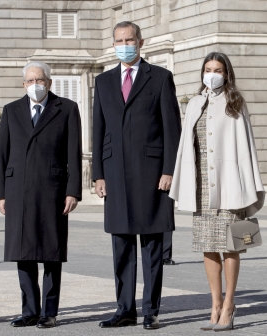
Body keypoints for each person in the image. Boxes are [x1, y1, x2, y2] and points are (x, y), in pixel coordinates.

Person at [92, 21, 181, 330]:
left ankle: (151, 311)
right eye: (119, 40)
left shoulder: (159, 78)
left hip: (152, 174)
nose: (124, 44)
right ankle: (124, 309)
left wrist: (170, 169)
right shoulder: (103, 82)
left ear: (141, 42)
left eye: (129, 39)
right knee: (122, 246)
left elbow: (172, 129)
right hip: (115, 174)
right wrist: (98, 174)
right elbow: (98, 130)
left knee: (153, 247)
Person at [169, 52, 265, 331]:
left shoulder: (235, 102)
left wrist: (249, 186)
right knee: (208, 247)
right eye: (208, 69)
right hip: (201, 186)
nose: (213, 74)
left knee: (231, 245)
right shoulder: (195, 103)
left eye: (218, 69)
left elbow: (247, 148)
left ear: (227, 73)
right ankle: (215, 304)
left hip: (229, 184)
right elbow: (186, 148)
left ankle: (230, 304)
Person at [0, 62, 82, 329]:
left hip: (52, 189)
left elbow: (74, 153)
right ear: (23, 84)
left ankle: (49, 311)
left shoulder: (66, 108)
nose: (36, 84)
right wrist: (0, 193)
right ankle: (30, 309)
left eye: (40, 79)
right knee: (24, 252)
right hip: (17, 190)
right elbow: (1, 153)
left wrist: (73, 191)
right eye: (31, 80)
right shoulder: (11, 111)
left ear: (49, 82)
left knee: (51, 252)